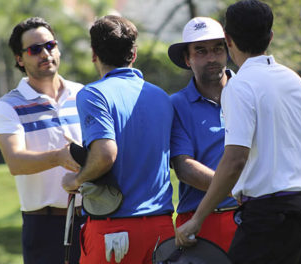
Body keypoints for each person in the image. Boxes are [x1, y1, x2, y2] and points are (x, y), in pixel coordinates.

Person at [175, 1, 301, 264]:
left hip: (271, 213)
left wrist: (197, 219)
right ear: (270, 37)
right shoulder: (293, 79)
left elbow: (235, 160)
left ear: (228, 40)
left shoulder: (239, 86)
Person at [61, 15, 175, 264]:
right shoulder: (162, 97)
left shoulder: (92, 94)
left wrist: (76, 179)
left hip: (114, 232)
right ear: (133, 54)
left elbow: (105, 154)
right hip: (163, 229)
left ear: (94, 54)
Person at [0, 17, 84, 264]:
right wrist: (59, 157)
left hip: (93, 218)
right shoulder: (7, 106)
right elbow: (15, 162)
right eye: (35, 49)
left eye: (50, 45)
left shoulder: (84, 94)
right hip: (44, 227)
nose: (45, 53)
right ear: (19, 59)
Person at [168, 16, 238, 252]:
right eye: (200, 51)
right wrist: (234, 187)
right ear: (187, 59)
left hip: (252, 216)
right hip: (199, 224)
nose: (211, 58)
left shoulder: (248, 91)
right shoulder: (176, 104)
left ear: (227, 51)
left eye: (217, 49)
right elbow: (184, 167)